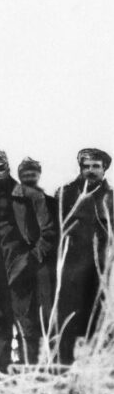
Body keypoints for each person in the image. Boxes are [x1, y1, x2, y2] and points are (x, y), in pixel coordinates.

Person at [0, 144, 55, 372]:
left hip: (22, 267)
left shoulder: (30, 196)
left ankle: (30, 369)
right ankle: (3, 368)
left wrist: (33, 259)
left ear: (8, 166)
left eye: (0, 168)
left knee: (27, 321)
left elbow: (48, 232)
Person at [56, 148, 113, 364]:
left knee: (98, 319)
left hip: (100, 269)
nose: (90, 171)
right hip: (69, 268)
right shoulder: (66, 194)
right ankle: (63, 366)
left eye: (95, 166)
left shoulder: (111, 198)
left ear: (104, 168)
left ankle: (96, 369)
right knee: (66, 320)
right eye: (86, 166)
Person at [18, 157, 57, 328]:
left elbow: (53, 230)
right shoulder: (14, 201)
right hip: (19, 260)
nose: (29, 178)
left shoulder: (50, 202)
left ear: (39, 175)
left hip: (44, 259)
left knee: (45, 300)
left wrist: (38, 254)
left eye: (32, 174)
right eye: (25, 175)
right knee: (24, 304)